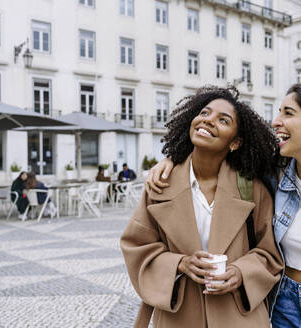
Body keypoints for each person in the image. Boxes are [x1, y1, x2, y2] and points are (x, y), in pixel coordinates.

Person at [148, 82, 301, 328]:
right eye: (278, 112)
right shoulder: (275, 176)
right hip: (284, 304)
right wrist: (173, 160)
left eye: (288, 113)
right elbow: (222, 152)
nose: (276, 121)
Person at [120, 86, 283, 328]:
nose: (208, 121)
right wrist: (180, 264)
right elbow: (136, 246)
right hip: (179, 315)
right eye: (204, 113)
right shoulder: (161, 183)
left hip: (237, 316)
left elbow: (269, 254)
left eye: (223, 120)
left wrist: (240, 272)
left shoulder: (252, 189)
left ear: (235, 142)